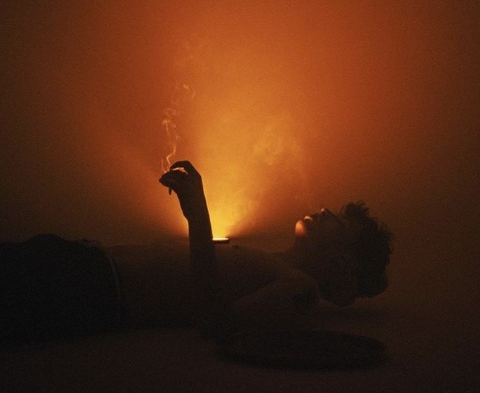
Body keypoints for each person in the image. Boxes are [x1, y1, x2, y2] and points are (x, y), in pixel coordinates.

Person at [0, 161, 392, 344]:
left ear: (343, 262)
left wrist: (198, 213)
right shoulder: (272, 262)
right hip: (84, 263)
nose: (323, 210)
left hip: (95, 288)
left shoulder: (300, 287)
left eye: (337, 221)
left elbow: (217, 323)